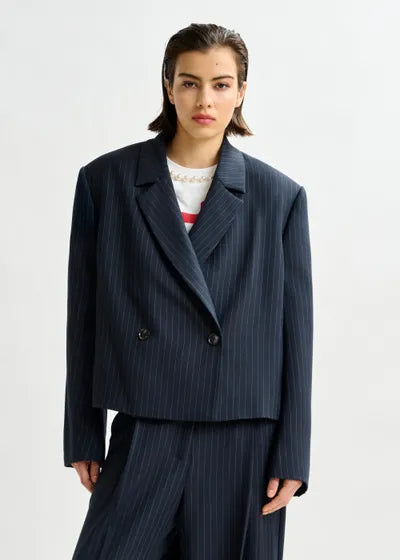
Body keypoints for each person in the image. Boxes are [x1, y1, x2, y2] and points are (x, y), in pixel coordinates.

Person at [63, 22, 314, 560]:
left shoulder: (279, 197)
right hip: (144, 422)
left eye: (221, 85)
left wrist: (293, 452)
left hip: (240, 432)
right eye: (190, 83)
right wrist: (83, 432)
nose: (205, 100)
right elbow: (83, 317)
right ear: (168, 86)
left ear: (241, 91)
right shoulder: (106, 182)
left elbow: (296, 334)